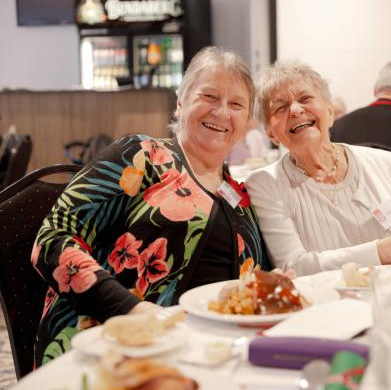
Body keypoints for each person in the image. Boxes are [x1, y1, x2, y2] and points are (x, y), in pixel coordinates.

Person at [30, 47, 271, 366]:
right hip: (114, 347)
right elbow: (51, 240)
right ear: (181, 101)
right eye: (209, 96)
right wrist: (133, 309)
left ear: (246, 120)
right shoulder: (141, 156)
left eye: (236, 104)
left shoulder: (238, 194)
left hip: (208, 357)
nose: (222, 112)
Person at [245, 60, 391, 276]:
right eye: (280, 107)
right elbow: (293, 267)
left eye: (305, 98)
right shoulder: (266, 183)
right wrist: (384, 251)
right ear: (270, 133)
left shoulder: (387, 163)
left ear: (330, 112)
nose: (294, 110)